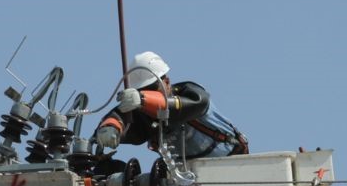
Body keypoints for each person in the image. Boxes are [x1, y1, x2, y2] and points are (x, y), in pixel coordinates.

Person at [95, 51, 249, 159]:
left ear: (166, 82)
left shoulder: (189, 93)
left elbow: (198, 103)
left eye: (151, 88)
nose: (147, 94)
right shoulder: (145, 117)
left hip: (232, 163)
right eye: (142, 91)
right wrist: (110, 126)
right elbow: (122, 115)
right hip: (190, 180)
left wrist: (142, 99)